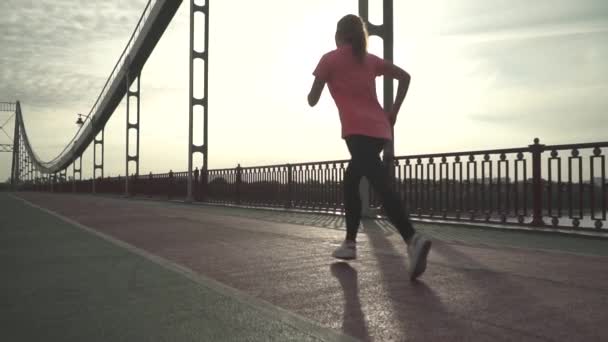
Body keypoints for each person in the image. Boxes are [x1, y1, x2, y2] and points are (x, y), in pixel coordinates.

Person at [307, 14, 431, 280]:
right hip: (380, 130)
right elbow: (405, 77)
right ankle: (350, 243)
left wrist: (318, 86)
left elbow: (312, 100)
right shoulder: (369, 59)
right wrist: (394, 111)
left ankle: (412, 238)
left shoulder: (329, 59)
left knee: (380, 182)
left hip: (357, 131)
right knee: (352, 180)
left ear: (339, 34)